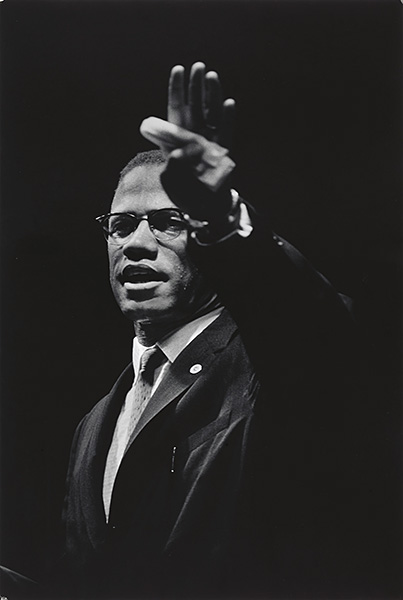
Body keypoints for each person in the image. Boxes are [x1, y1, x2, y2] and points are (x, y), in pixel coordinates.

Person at [58, 63, 385, 599]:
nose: (136, 244)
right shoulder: (92, 425)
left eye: (168, 221)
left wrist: (221, 220)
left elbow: (311, 326)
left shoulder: (267, 361)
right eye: (120, 226)